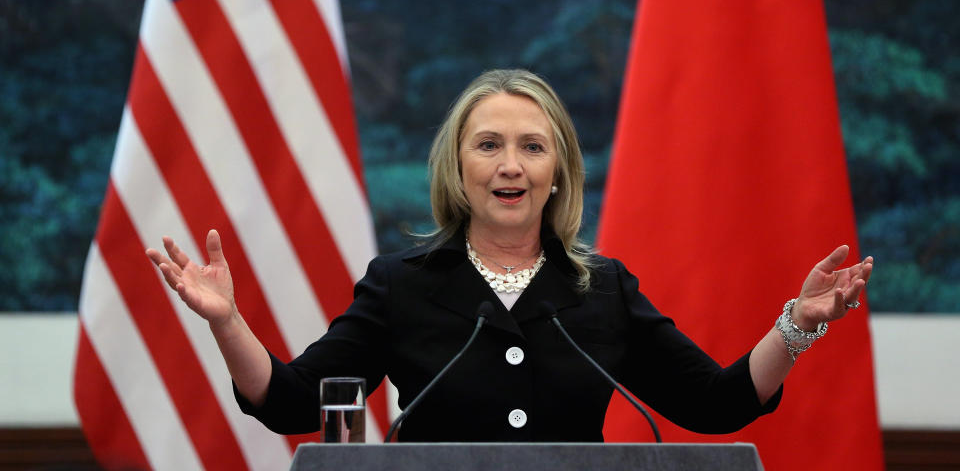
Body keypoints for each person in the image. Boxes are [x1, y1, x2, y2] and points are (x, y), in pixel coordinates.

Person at [146, 68, 873, 442]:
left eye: (532, 147)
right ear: (457, 167)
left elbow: (715, 407)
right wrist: (226, 322)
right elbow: (297, 403)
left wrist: (797, 324)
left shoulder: (603, 291)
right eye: (488, 145)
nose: (510, 165)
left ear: (558, 171)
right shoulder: (403, 285)